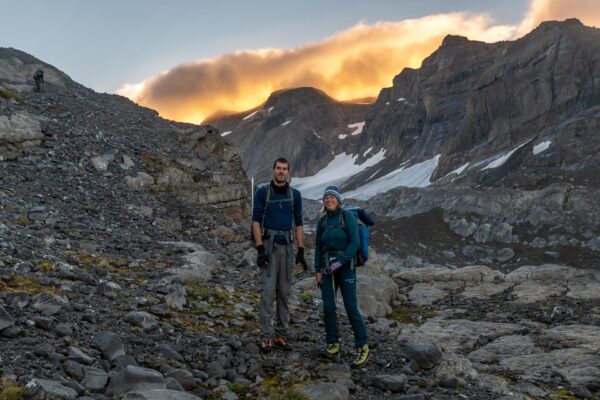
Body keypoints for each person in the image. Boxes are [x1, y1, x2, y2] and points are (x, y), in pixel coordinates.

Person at [252, 157, 306, 353]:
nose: (281, 172)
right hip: (269, 245)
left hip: (287, 246)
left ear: (288, 172)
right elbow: (256, 221)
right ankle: (267, 336)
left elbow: (298, 223)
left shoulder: (295, 195)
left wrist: (301, 249)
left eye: (284, 169)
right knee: (267, 293)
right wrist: (259, 249)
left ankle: (281, 334)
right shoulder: (262, 192)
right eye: (278, 168)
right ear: (273, 170)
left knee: (284, 292)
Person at [314, 185, 369, 368]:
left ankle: (362, 345)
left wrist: (342, 260)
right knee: (328, 307)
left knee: (350, 307)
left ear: (338, 200)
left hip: (346, 268)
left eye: (332, 197)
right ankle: (332, 343)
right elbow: (317, 248)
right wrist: (317, 270)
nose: (328, 200)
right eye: (326, 197)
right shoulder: (322, 222)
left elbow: (355, 242)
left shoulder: (347, 218)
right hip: (327, 268)